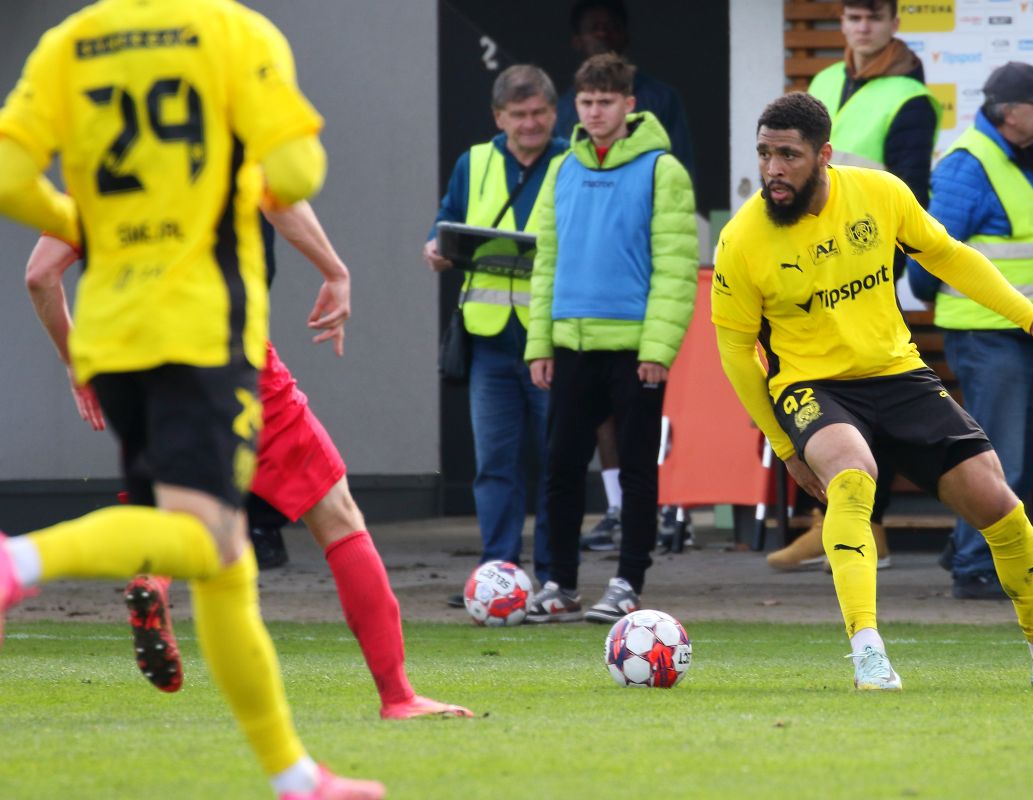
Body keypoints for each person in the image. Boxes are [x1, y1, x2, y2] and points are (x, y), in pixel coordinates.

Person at [0, 2, 385, 797]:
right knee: (214, 537)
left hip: (111, 335)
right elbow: (294, 177)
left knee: (221, 558)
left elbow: (14, 192)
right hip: (203, 330)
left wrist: (86, 222)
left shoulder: (71, 43)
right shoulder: (234, 34)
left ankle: (295, 776)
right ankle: (17, 560)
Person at [712, 91, 1033, 690]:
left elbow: (949, 257)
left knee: (1000, 506)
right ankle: (869, 654)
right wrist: (786, 447)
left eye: (788, 155)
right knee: (853, 476)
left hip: (899, 375)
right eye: (765, 154)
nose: (773, 169)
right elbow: (735, 351)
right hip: (811, 384)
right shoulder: (741, 238)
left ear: (824, 155)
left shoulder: (881, 194)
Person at [26, 206, 472, 721]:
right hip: (228, 352)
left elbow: (40, 275)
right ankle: (398, 695)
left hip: (139, 365)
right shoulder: (221, 153)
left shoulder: (96, 169)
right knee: (337, 515)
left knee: (177, 508)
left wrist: (76, 362)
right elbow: (281, 201)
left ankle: (147, 576)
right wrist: (335, 272)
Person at [767, 0, 941, 573]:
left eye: (872, 17)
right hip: (808, 260)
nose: (861, 27)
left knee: (867, 394)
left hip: (865, 263)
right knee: (819, 392)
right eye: (852, 16)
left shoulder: (910, 97)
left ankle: (861, 523)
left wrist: (884, 267)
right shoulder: (822, 81)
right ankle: (837, 522)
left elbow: (909, 194)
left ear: (893, 24)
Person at [523, 53, 698, 624]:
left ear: (629, 104)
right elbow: (545, 263)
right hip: (570, 343)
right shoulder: (561, 169)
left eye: (605, 102)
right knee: (562, 467)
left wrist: (658, 350)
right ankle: (561, 583)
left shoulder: (663, 170)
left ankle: (627, 582)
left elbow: (675, 268)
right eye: (586, 102)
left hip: (633, 350)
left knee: (637, 468)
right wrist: (539, 344)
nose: (595, 112)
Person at [907, 62, 1033, 601]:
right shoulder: (968, 164)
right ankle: (975, 567)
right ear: (1009, 112)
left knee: (1030, 452)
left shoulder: (1024, 154)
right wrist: (933, 293)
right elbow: (928, 253)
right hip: (986, 335)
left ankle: (965, 545)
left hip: (1028, 333)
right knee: (1002, 458)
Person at [423, 65, 566, 606]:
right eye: (518, 114)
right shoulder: (474, 161)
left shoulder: (572, 161)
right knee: (494, 466)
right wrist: (435, 247)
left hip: (549, 341)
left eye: (539, 113)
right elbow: (445, 221)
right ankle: (496, 579)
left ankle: (554, 577)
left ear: (553, 112)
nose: (530, 124)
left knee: (556, 464)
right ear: (498, 117)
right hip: (488, 340)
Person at [554, 0, 694, 175]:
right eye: (594, 28)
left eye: (611, 27)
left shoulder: (662, 98)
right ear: (577, 41)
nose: (602, 33)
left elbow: (680, 170)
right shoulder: (562, 109)